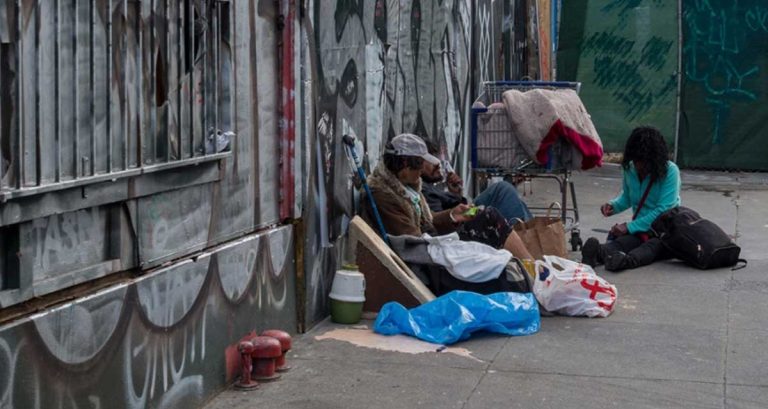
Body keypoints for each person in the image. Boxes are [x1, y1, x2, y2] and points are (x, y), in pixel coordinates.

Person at [361, 133, 533, 260]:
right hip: (430, 256)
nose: (421, 170)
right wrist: (450, 236)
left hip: (435, 243)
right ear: (406, 164)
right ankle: (532, 268)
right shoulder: (383, 196)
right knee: (490, 215)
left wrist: (453, 215)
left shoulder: (407, 187)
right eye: (420, 164)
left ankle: (531, 265)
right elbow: (413, 240)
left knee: (487, 212)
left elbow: (428, 220)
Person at [581, 126, 681, 272]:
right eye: (636, 160)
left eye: (644, 161)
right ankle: (598, 253)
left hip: (664, 231)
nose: (639, 166)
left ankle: (625, 261)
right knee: (622, 243)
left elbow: (663, 210)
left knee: (651, 247)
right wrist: (613, 206)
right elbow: (628, 197)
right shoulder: (630, 168)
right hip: (641, 230)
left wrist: (629, 227)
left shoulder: (670, 172)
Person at [420, 142, 532, 223]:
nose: (437, 165)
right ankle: (527, 235)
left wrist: (456, 194)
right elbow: (440, 222)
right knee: (503, 190)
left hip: (464, 213)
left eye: (436, 160)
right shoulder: (424, 190)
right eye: (430, 160)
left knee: (510, 198)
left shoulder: (428, 187)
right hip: (462, 219)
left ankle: (530, 231)